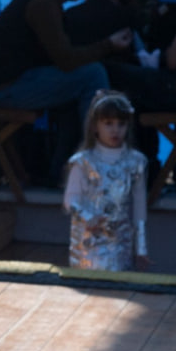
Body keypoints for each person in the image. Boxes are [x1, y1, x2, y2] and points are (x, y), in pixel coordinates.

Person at [0, 0, 133, 181]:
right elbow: (66, 60)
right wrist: (108, 44)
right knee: (92, 74)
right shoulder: (43, 3)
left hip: (5, 84)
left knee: (82, 81)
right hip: (1, 90)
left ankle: (71, 166)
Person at [63, 90, 150, 272]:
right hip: (89, 242)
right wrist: (89, 217)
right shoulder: (83, 162)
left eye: (121, 124)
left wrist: (141, 248)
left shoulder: (136, 162)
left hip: (120, 243)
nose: (115, 130)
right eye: (108, 123)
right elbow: (70, 200)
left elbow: (139, 207)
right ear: (95, 126)